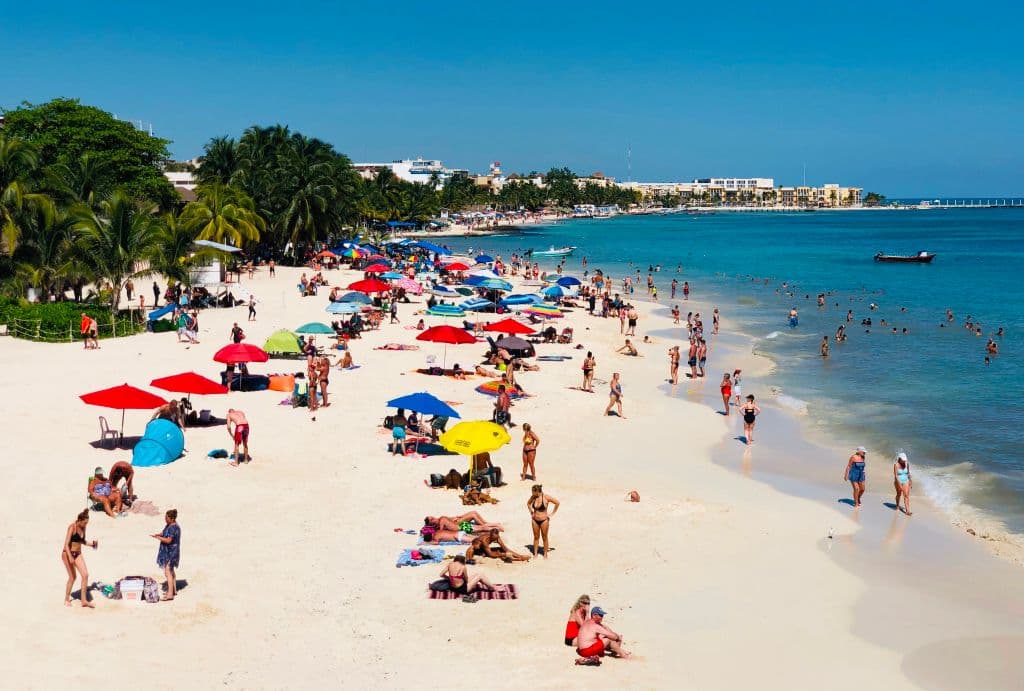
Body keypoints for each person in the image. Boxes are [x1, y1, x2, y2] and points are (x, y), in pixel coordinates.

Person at [62, 509, 97, 607]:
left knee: (85, 575)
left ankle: (84, 601)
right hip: (67, 554)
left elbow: (81, 541)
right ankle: (66, 599)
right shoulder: (72, 527)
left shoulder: (83, 528)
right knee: (73, 577)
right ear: (80, 520)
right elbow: (66, 544)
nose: (86, 525)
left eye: (87, 523)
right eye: (85, 523)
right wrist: (70, 556)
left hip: (78, 554)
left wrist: (92, 544)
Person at [151, 509, 181, 601]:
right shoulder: (170, 525)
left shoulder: (173, 528)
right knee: (171, 571)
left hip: (171, 552)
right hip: (171, 551)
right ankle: (174, 590)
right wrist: (158, 534)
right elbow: (164, 532)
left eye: (167, 518)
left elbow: (168, 540)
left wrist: (158, 538)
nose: (165, 519)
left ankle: (170, 594)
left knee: (167, 572)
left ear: (172, 519)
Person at [527, 484, 560, 558]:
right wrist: (531, 512)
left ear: (537, 491)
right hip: (535, 520)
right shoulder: (533, 497)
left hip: (544, 520)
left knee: (544, 537)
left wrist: (552, 513)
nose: (532, 493)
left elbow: (557, 503)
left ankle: (545, 554)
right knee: (536, 537)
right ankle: (535, 553)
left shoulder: (546, 497)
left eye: (533, 492)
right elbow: (528, 503)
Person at [465, 528, 530, 562]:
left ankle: (520, 557)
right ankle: (516, 559)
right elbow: (490, 554)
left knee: (501, 550)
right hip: (478, 550)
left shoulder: (497, 537)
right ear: (490, 535)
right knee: (498, 553)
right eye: (493, 538)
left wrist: (519, 555)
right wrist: (504, 554)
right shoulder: (484, 540)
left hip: (485, 549)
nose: (495, 539)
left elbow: (505, 548)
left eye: (496, 538)